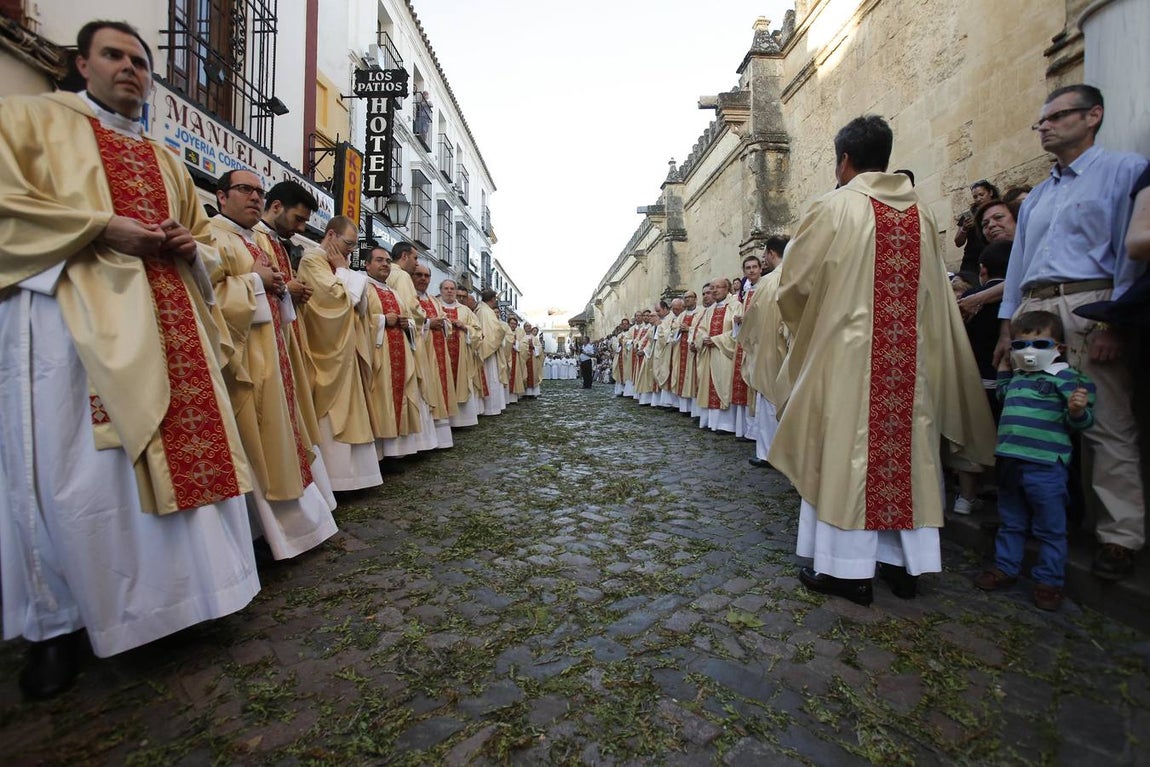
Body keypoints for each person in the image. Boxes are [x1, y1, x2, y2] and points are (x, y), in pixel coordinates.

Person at [0, 20, 260, 698]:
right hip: (67, 322)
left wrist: (187, 245)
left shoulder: (168, 159)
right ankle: (56, 624)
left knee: (166, 459)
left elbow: (208, 243)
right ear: (80, 63)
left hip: (170, 318)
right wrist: (96, 226)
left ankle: (181, 598)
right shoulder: (25, 120)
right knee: (72, 472)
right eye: (113, 55)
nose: (130, 69)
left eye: (141, 61)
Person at [772, 114, 995, 606]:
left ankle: (847, 571)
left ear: (845, 160)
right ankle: (905, 567)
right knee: (906, 456)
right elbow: (936, 291)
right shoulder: (923, 213)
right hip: (908, 363)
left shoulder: (831, 208)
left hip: (847, 363)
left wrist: (812, 331)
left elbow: (794, 289)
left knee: (845, 458)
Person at [996, 84, 1148, 581]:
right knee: (1040, 413)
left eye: (1057, 117)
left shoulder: (1122, 172)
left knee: (1106, 419)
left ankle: (1120, 534)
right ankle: (1062, 522)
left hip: (1089, 302)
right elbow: (1020, 263)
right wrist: (1007, 327)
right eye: (1041, 120)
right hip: (1036, 311)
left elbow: (1130, 252)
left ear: (1092, 116)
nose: (1045, 126)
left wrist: (1114, 319)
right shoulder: (1039, 195)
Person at [209, 169, 338, 560]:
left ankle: (287, 526)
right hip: (243, 357)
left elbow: (269, 283)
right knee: (259, 438)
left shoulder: (254, 241)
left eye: (258, 191)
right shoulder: (212, 235)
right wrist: (256, 283)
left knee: (280, 434)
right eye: (245, 190)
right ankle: (270, 529)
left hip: (272, 347)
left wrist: (277, 286)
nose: (254, 198)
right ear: (221, 196)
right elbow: (206, 293)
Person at [975, 311, 1094, 610]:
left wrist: (1078, 411)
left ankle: (1049, 581)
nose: (1029, 352)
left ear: (1059, 349)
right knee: (1011, 521)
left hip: (1045, 466)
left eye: (1039, 345)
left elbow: (1080, 422)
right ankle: (1005, 568)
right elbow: (1002, 396)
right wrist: (1003, 369)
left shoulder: (1065, 378)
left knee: (1051, 527)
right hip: (1010, 462)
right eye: (1020, 345)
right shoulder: (1017, 378)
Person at [295, 216, 383, 491]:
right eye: (347, 244)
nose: (349, 251)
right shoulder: (312, 260)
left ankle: (357, 477)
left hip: (346, 348)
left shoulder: (335, 264)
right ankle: (335, 479)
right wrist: (344, 271)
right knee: (331, 415)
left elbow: (359, 304)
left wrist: (344, 271)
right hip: (327, 349)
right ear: (331, 235)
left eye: (354, 246)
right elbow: (333, 300)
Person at [953, 241, 1012, 514]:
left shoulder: (970, 299)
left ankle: (966, 497)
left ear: (983, 269)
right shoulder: (1020, 296)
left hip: (975, 376)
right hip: (1005, 378)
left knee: (970, 437)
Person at [362, 246, 426, 457]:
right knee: (380, 399)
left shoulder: (395, 293)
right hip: (378, 353)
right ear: (367, 264)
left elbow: (409, 317)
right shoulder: (363, 287)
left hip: (399, 351)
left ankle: (396, 452)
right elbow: (355, 320)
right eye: (379, 260)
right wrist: (381, 320)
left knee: (400, 396)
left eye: (388, 261)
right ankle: (380, 453)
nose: (385, 264)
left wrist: (406, 323)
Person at [741, 235, 789, 468]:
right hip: (792, 347)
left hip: (770, 348)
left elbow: (752, 318)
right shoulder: (800, 274)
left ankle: (769, 452)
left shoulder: (768, 283)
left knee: (770, 398)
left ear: (771, 253)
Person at [693, 278, 739, 433]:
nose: (714, 291)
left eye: (718, 287)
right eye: (712, 288)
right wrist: (704, 338)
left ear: (727, 288)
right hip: (709, 353)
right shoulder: (710, 309)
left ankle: (726, 425)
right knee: (709, 385)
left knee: (724, 384)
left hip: (724, 352)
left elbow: (737, 331)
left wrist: (716, 340)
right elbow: (702, 329)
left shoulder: (735, 306)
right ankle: (712, 422)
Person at [439, 279, 484, 426]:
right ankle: (443, 422)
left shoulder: (465, 311)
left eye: (452, 288)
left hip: (461, 355)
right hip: (439, 353)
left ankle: (462, 421)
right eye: (446, 288)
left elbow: (478, 332)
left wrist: (464, 327)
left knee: (462, 381)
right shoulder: (435, 306)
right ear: (441, 290)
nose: (450, 291)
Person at [474, 289, 509, 411]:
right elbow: (496, 331)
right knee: (492, 377)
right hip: (490, 350)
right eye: (496, 299)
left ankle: (488, 407)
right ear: (493, 299)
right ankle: (491, 408)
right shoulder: (486, 312)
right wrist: (503, 331)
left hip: (484, 348)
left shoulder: (480, 309)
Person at [956, 179, 1001, 274]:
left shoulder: (1000, 209)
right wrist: (964, 228)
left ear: (991, 192)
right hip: (972, 261)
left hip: (995, 256)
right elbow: (958, 242)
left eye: (981, 194)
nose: (978, 199)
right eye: (975, 197)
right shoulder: (969, 215)